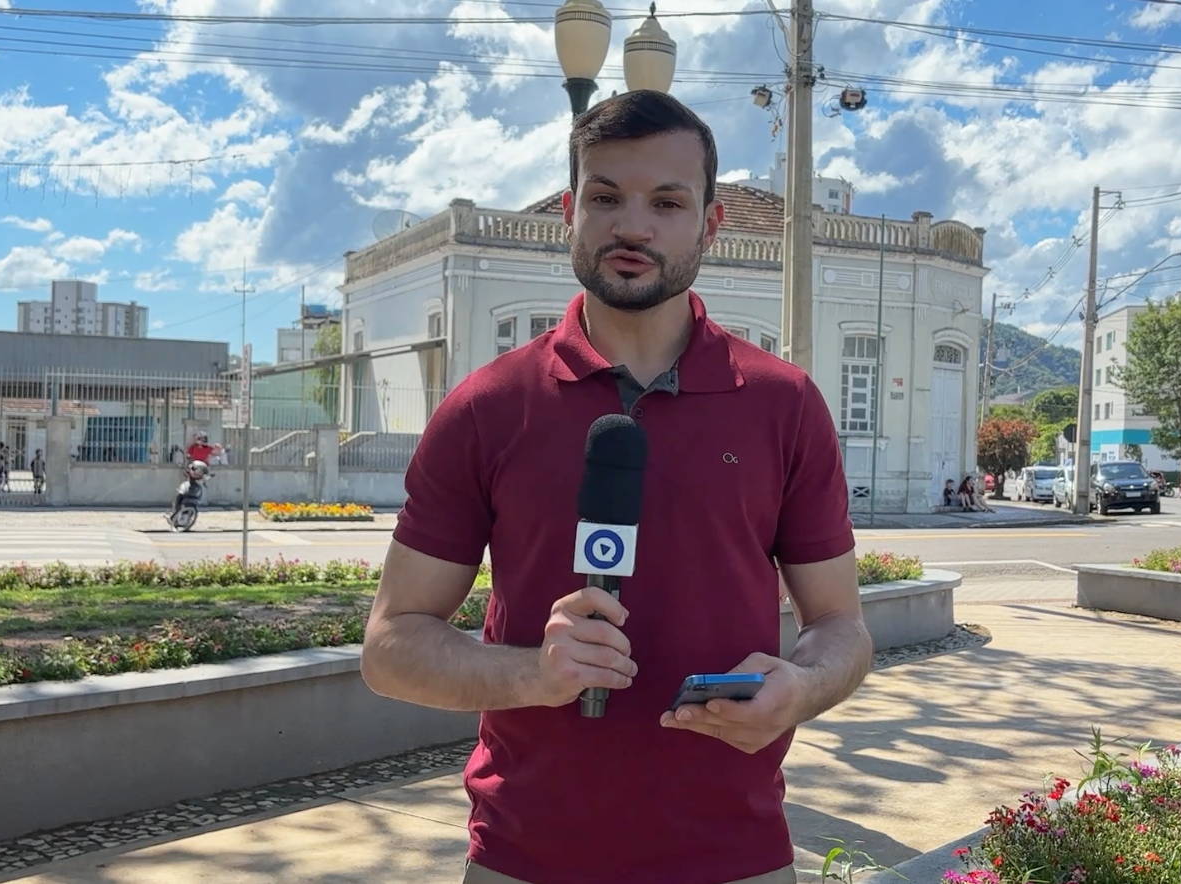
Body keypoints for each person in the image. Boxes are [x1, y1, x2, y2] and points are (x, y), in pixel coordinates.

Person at [360, 89, 873, 884]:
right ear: (570, 212)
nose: (633, 226)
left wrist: (802, 687)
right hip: (524, 858)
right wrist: (532, 674)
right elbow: (391, 646)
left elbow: (842, 625)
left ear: (710, 224)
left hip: (735, 858)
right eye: (606, 198)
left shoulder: (784, 405)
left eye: (667, 203)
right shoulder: (488, 407)